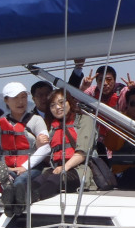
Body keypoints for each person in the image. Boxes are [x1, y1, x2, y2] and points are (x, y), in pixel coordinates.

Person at [5, 88, 98, 217]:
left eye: (61, 102)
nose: (57, 107)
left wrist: (64, 167)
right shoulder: (52, 126)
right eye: (53, 105)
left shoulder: (84, 120)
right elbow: (47, 154)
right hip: (55, 168)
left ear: (70, 102)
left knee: (56, 179)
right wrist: (38, 145)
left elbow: (82, 152)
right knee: (36, 181)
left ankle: (29, 198)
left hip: (79, 170)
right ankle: (12, 200)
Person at [0, 82, 51, 210]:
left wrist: (24, 167)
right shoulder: (0, 124)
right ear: (6, 100)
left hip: (31, 168)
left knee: (20, 181)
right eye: (15, 98)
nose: (20, 102)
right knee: (11, 177)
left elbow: (46, 147)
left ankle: (4, 194)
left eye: (23, 97)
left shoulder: (36, 120)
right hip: (9, 168)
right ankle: (3, 187)